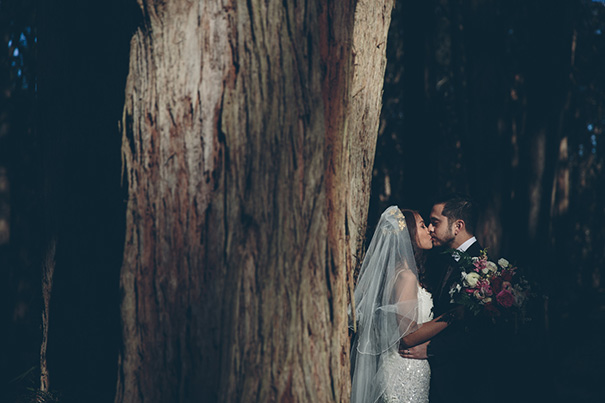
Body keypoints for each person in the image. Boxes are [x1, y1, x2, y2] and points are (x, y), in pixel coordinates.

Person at [349, 206, 459, 403]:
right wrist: (453, 316)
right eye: (422, 226)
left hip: (406, 368)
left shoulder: (400, 273)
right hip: (404, 371)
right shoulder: (406, 276)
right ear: (408, 235)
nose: (429, 230)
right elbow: (407, 337)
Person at [400, 194, 484, 403]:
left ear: (458, 226)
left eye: (435, 222)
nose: (430, 228)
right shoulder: (440, 261)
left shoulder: (483, 268)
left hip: (461, 382)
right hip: (430, 378)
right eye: (427, 224)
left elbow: (482, 333)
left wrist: (432, 349)